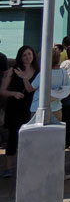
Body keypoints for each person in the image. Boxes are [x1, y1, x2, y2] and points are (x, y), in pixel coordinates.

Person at [0, 45, 38, 178]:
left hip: (30, 106)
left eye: (29, 54)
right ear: (20, 57)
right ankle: (8, 167)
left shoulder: (37, 70)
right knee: (12, 136)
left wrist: (24, 78)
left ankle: (27, 165)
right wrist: (13, 93)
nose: (28, 57)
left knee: (29, 137)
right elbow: (2, 90)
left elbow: (30, 90)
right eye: (24, 55)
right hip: (15, 107)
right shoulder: (13, 70)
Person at [28, 46, 70, 122]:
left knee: (37, 132)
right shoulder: (63, 73)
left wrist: (24, 78)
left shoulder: (43, 74)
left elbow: (30, 89)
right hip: (56, 108)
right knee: (56, 132)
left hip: (38, 108)